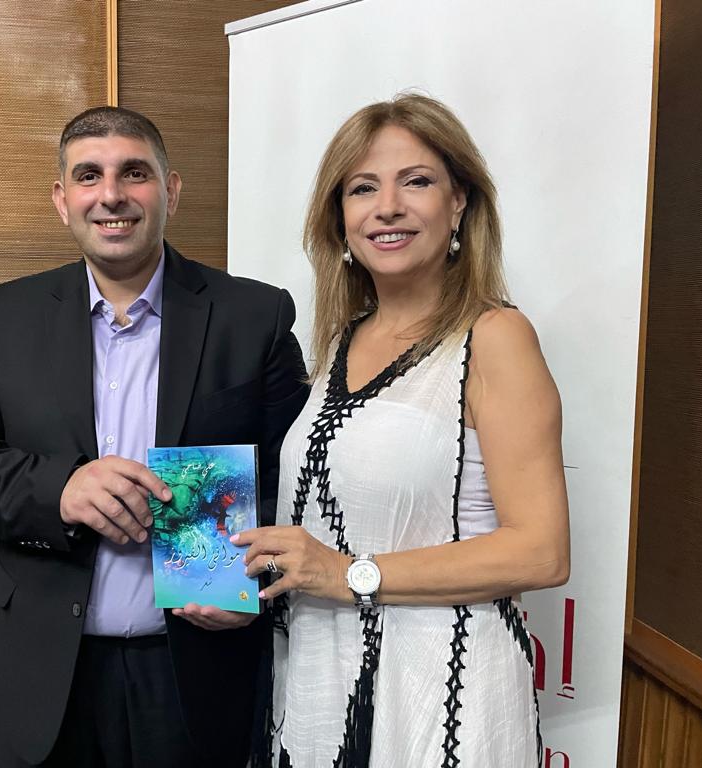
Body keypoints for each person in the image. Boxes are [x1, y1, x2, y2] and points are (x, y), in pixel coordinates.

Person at [0, 106, 308, 768]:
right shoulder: (0, 318)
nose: (112, 195)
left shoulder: (253, 315)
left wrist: (262, 581)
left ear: (171, 190)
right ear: (62, 199)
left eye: (134, 173)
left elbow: (297, 474)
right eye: (88, 176)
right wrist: (60, 489)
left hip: (199, 667)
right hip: (46, 672)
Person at [233, 94, 570, 767]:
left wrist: (349, 573)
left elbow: (542, 553)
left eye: (415, 181)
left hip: (440, 695)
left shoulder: (495, 337)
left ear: (459, 203)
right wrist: (243, 578)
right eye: (363, 188)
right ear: (340, 217)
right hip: (321, 684)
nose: (387, 206)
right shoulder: (343, 339)